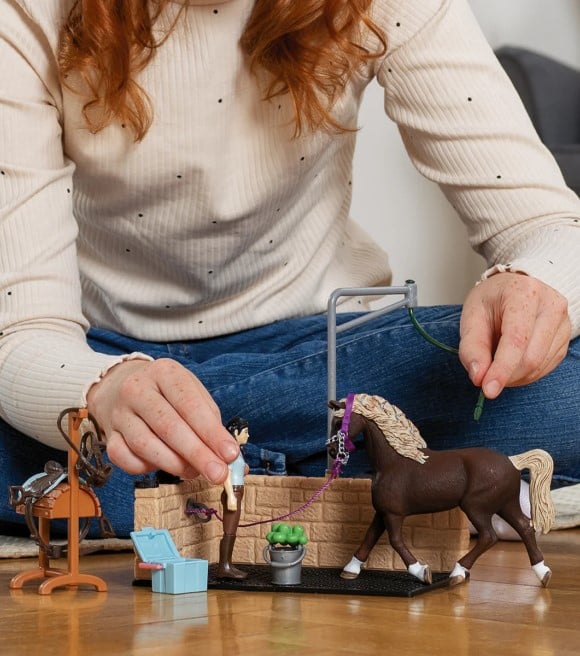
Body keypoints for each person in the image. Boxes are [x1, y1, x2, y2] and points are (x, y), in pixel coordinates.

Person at [1, 0, 579, 538]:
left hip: (317, 350)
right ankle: (343, 487)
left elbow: (550, 225)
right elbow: (24, 332)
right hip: (100, 361)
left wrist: (533, 284)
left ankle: (184, 482)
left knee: (564, 379)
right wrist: (99, 391)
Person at [217, 417, 249, 579]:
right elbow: (225, 474)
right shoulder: (231, 452)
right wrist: (230, 495)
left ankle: (228, 564)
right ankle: (224, 566)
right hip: (233, 491)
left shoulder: (238, 451)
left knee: (232, 530)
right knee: (229, 531)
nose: (248, 435)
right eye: (245, 432)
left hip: (238, 490)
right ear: (235, 433)